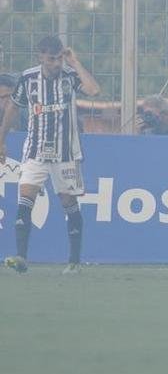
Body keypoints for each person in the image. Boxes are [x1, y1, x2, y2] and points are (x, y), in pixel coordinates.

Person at [1, 37, 101, 274]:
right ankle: (21, 257)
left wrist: (74, 62)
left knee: (69, 203)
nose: (56, 64)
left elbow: (94, 90)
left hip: (65, 153)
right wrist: (1, 139)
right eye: (51, 59)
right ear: (41, 57)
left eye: (58, 58)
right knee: (25, 199)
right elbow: (13, 108)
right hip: (35, 151)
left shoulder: (69, 76)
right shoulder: (27, 79)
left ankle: (74, 262)